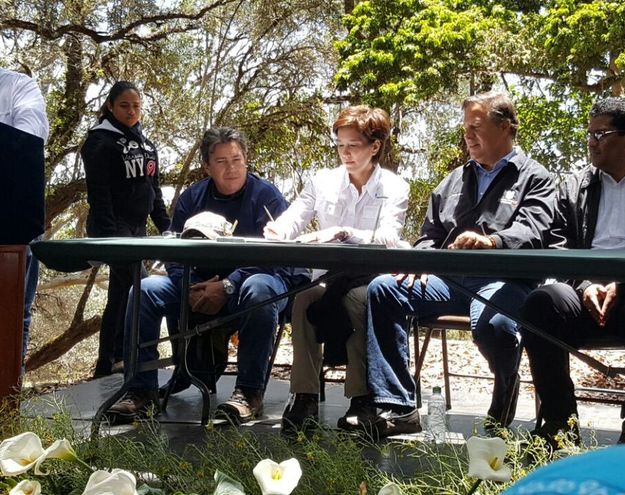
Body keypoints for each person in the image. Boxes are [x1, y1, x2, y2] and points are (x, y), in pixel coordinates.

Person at [362, 91, 556, 438]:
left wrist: (493, 242)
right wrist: (422, 260)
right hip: (448, 281)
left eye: (476, 127)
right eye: (465, 128)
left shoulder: (535, 177)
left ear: (506, 128)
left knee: (495, 323)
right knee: (384, 289)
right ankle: (400, 407)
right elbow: (429, 235)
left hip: (504, 280)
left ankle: (505, 390)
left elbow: (535, 230)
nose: (467, 135)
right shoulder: (452, 180)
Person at [519, 97, 625, 447]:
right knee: (540, 302)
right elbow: (558, 245)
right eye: (589, 133)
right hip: (583, 291)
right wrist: (585, 284)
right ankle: (559, 421)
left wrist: (622, 284)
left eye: (601, 134)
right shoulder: (574, 186)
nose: (591, 142)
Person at [106, 127, 306, 425]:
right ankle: (140, 390)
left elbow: (275, 256)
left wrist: (228, 285)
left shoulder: (267, 197)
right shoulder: (192, 198)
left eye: (237, 160)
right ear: (207, 166)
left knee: (260, 288)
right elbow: (174, 252)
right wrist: (188, 286)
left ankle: (248, 393)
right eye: (222, 161)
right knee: (145, 290)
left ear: (246, 160)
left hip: (251, 284)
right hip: (196, 285)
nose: (231, 168)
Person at [262, 105, 410, 433]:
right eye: (340, 145)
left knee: (359, 301)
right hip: (328, 277)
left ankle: (361, 398)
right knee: (304, 300)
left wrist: (344, 233)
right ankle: (304, 395)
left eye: (353, 145)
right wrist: (278, 230)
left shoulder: (395, 186)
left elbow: (389, 236)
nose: (345, 153)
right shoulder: (323, 181)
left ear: (375, 147)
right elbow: (295, 216)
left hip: (368, 278)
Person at [82, 81, 171, 378]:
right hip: (112, 228)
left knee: (122, 293)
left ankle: (111, 361)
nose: (131, 111)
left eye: (136, 106)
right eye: (124, 106)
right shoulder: (99, 142)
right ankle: (126, 359)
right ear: (110, 106)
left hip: (137, 228)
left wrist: (167, 227)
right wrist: (110, 237)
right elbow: (99, 193)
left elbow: (154, 191)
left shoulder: (147, 145)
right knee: (140, 286)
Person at [0, 68, 49, 368]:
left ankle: (8, 391)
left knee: (15, 314)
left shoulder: (19, 86)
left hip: (13, 225)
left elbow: (30, 136)